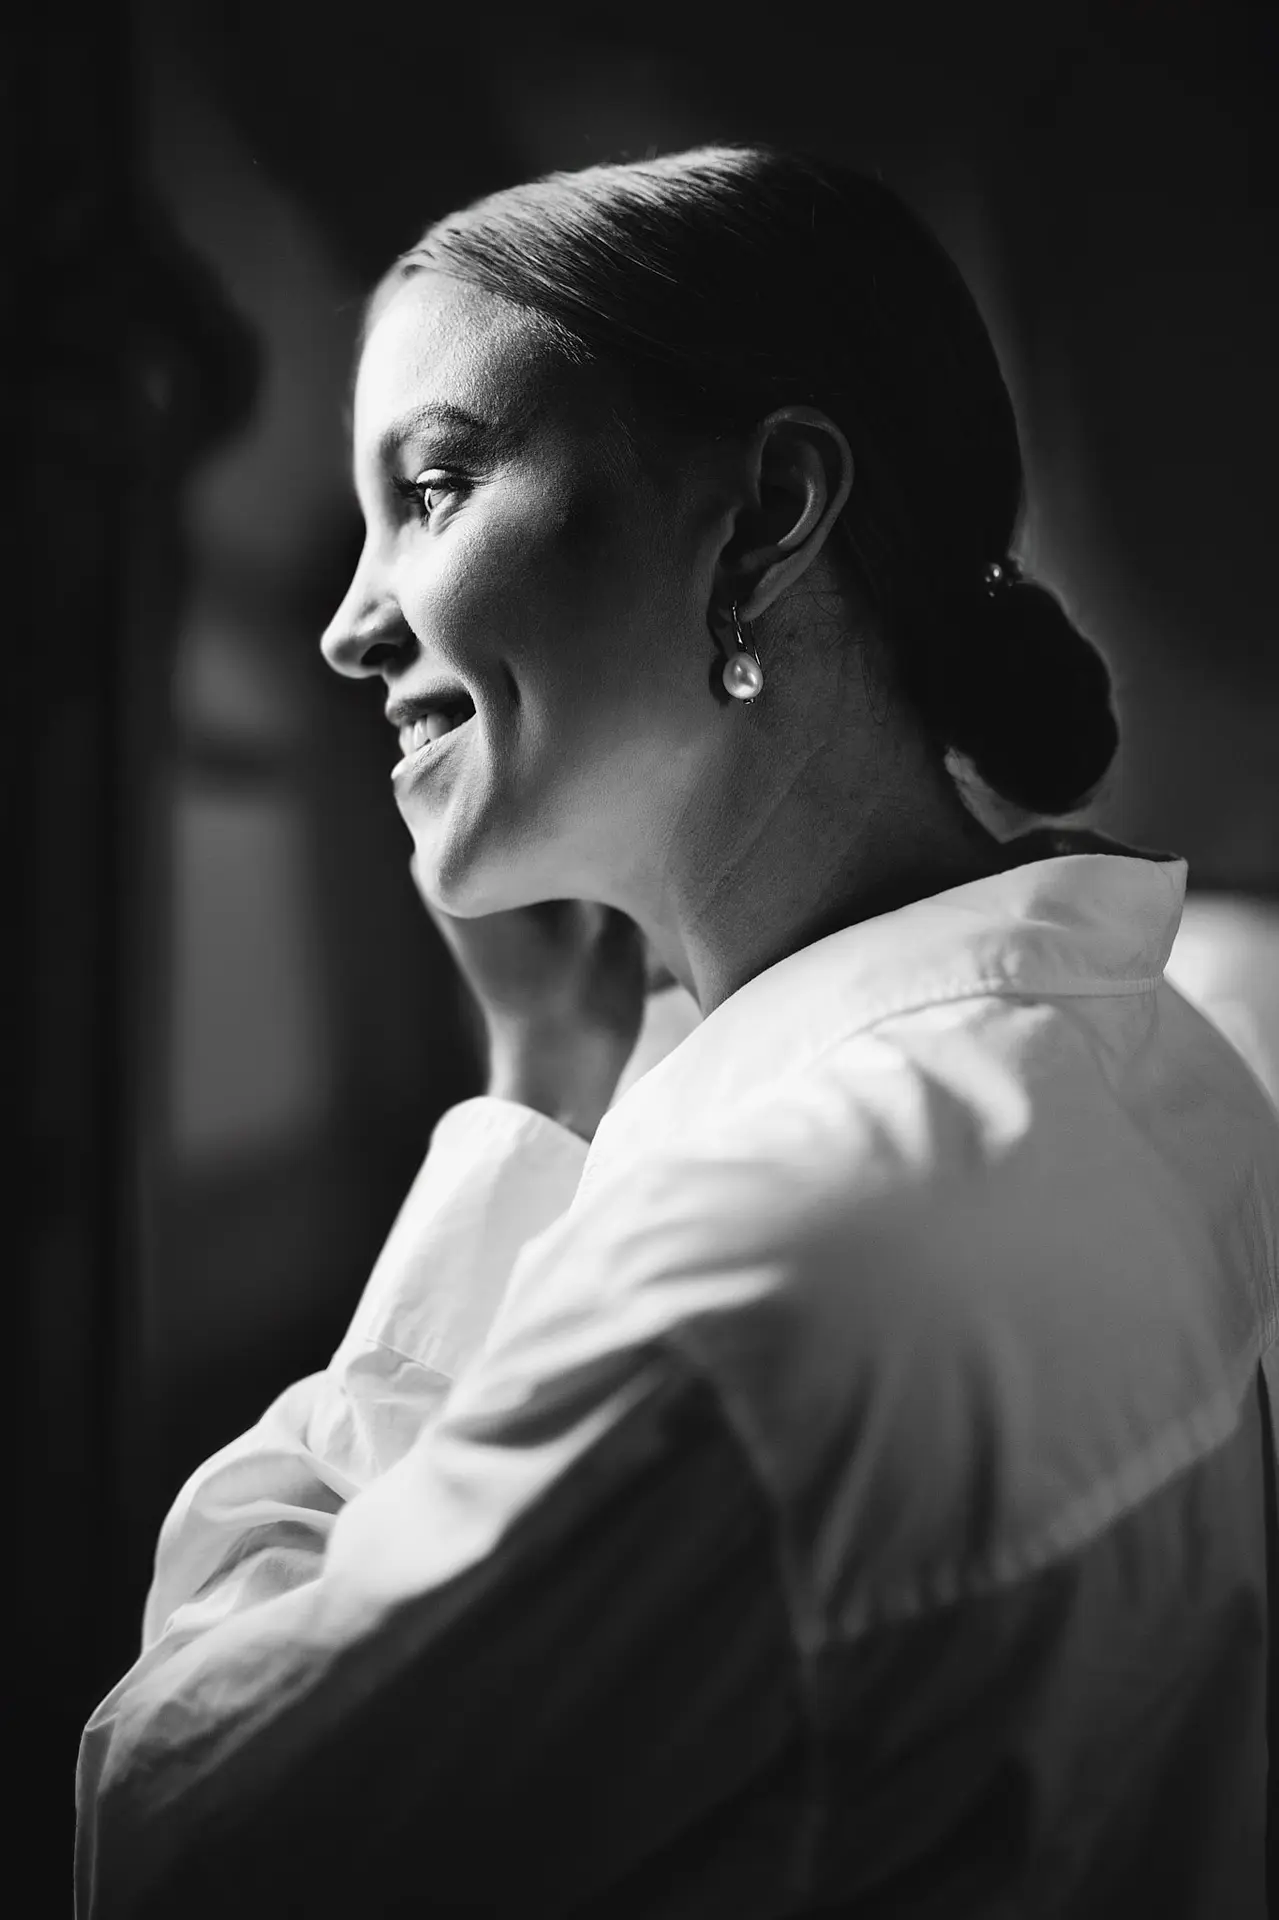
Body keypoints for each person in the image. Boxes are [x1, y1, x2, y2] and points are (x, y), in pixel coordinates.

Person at [76, 143, 1279, 1917]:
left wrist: (520, 1118)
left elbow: (170, 1838)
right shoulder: (1140, 1059)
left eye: (436, 484)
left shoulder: (754, 1286)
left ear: (771, 511)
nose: (348, 623)